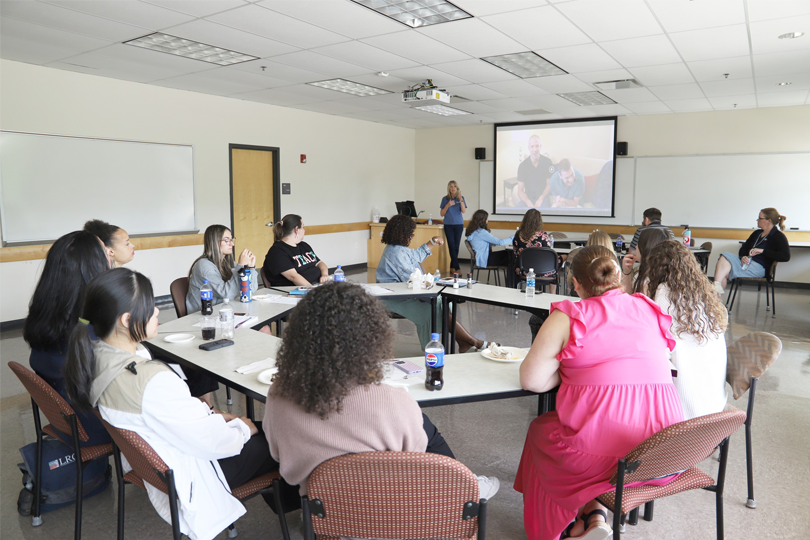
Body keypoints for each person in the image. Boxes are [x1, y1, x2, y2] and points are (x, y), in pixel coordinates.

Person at [63, 268, 284, 540]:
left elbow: (175, 416)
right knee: (285, 437)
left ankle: (288, 501)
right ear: (126, 320)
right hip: (196, 470)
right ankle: (308, 514)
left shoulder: (96, 359)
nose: (157, 312)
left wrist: (212, 414)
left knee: (269, 430)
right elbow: (209, 442)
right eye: (151, 307)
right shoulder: (150, 379)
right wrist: (242, 429)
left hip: (162, 463)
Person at [262, 282, 499, 500]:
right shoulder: (394, 401)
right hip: (397, 514)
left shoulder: (277, 394)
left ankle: (466, 487)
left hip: (322, 514)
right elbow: (421, 464)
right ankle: (466, 489)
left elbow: (277, 454)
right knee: (425, 427)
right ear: (371, 337)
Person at [515, 246, 683, 540]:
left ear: (575, 283)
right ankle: (594, 518)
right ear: (617, 276)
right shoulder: (647, 308)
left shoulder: (571, 315)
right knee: (597, 440)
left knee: (542, 434)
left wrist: (571, 370)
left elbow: (532, 380)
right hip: (662, 452)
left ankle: (555, 531)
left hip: (608, 456)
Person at [24, 230, 111, 446]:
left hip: (68, 419)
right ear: (92, 266)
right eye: (104, 252)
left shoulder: (45, 315)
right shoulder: (86, 330)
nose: (109, 254)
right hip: (94, 425)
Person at [377, 214, 491, 352]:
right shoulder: (395, 253)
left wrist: (433, 241)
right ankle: (471, 341)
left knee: (441, 302)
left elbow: (417, 255)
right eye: (410, 234)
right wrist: (433, 281)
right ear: (401, 233)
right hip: (394, 298)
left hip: (405, 292)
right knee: (432, 309)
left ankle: (466, 341)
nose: (412, 237)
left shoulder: (399, 249)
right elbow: (412, 279)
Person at [641, 241, 728, 419]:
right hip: (715, 409)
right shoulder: (705, 291)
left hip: (683, 414)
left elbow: (655, 347)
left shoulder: (664, 292)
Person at [712, 207, 791, 295]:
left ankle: (716, 294)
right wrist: (743, 257)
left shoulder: (778, 236)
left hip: (760, 268)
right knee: (724, 262)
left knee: (723, 270)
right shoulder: (757, 233)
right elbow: (743, 249)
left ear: (768, 220)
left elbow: (785, 256)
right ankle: (717, 291)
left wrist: (763, 251)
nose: (757, 220)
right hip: (746, 264)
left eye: (760, 218)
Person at [186, 224, 257, 313]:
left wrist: (251, 268)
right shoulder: (203, 265)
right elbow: (226, 294)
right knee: (262, 326)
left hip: (224, 310)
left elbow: (251, 290)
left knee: (263, 326)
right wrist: (240, 266)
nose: (232, 244)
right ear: (215, 242)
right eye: (227, 240)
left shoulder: (227, 262)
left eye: (231, 240)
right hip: (205, 316)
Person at [263, 214, 329, 287]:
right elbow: (293, 277)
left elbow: (319, 263)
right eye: (303, 227)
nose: (304, 231)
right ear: (296, 229)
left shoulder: (304, 246)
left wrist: (325, 275)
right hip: (298, 291)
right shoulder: (277, 252)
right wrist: (315, 292)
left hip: (317, 287)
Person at [513, 209, 556, 293]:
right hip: (544, 271)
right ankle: (553, 294)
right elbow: (548, 253)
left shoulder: (518, 235)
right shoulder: (543, 235)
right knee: (559, 261)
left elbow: (515, 252)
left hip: (524, 271)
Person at [620, 227, 671, 294]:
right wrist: (627, 272)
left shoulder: (650, 281)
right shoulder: (642, 274)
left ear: (646, 248)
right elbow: (628, 296)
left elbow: (627, 299)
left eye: (639, 244)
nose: (636, 246)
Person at [516, 135, 555, 208]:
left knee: (545, 212)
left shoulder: (548, 162)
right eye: (532, 146)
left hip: (543, 197)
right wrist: (528, 202)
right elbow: (520, 191)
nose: (535, 149)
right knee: (518, 211)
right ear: (529, 148)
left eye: (537, 146)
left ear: (540, 147)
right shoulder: (522, 166)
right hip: (528, 198)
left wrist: (541, 199)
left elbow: (549, 185)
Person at [439, 181, 467, 273]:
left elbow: (463, 211)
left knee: (456, 246)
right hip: (448, 225)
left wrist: (461, 199)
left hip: (459, 225)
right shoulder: (445, 199)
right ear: (449, 188)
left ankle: (452, 267)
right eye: (451, 186)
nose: (453, 188)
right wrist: (448, 205)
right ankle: (457, 268)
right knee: (451, 245)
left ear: (457, 188)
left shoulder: (461, 198)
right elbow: (442, 214)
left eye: (454, 186)